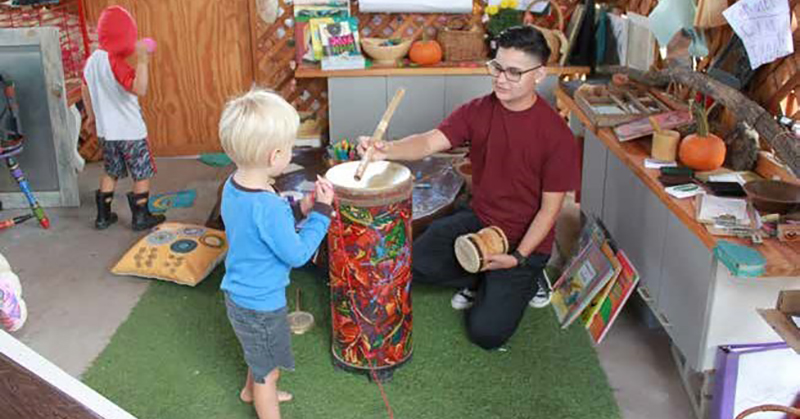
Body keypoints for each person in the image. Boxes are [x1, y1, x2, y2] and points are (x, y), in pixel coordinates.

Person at [358, 26, 580, 350]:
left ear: (539, 74)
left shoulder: (557, 136)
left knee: (486, 333)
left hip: (523, 243)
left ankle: (530, 278)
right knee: (414, 264)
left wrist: (518, 258)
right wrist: (386, 149)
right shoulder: (477, 110)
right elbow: (429, 142)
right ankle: (480, 275)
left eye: (514, 72)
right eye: (497, 67)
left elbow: (549, 211)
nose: (501, 79)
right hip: (479, 220)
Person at [218, 88, 335, 419]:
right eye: (290, 147)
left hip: (239, 296)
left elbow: (261, 229)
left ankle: (249, 390)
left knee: (258, 354)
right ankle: (262, 398)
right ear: (275, 157)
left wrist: (302, 208)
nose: (291, 152)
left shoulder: (234, 185)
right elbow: (297, 254)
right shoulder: (268, 205)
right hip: (261, 304)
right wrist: (322, 213)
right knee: (269, 373)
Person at [82, 6, 165, 231]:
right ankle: (141, 217)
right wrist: (142, 60)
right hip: (130, 132)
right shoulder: (115, 62)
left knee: (111, 171)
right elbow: (140, 88)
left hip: (106, 133)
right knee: (141, 173)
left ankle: (103, 216)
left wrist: (91, 117)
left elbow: (85, 88)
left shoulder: (92, 61)